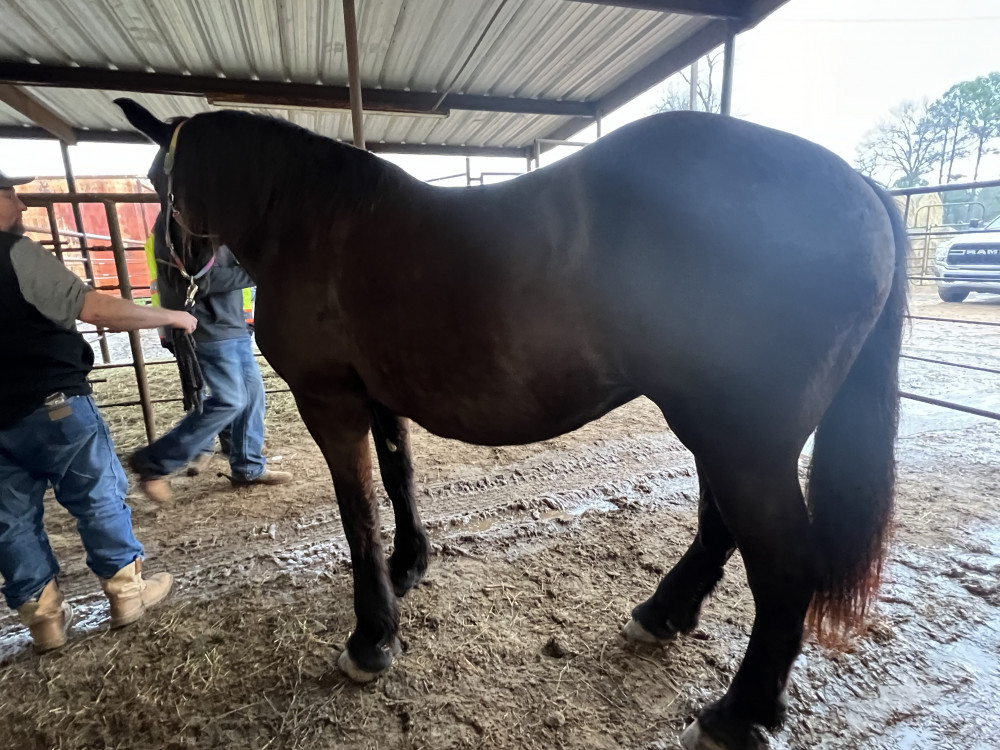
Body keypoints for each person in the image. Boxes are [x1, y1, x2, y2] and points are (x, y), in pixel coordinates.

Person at [0, 170, 198, 653]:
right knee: (96, 496)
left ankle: (43, 621)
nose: (21, 207)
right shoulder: (12, 253)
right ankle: (127, 596)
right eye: (10, 195)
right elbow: (92, 308)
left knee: (9, 519)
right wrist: (171, 316)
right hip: (53, 405)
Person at [129, 212, 291, 501]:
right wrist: (263, 270)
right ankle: (154, 464)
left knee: (252, 396)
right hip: (207, 328)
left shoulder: (215, 220)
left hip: (231, 325)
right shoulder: (183, 223)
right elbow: (200, 278)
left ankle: (248, 467)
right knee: (231, 399)